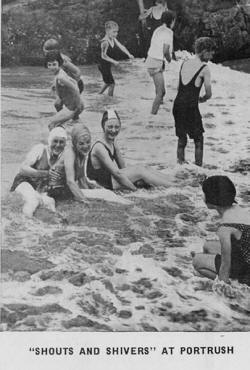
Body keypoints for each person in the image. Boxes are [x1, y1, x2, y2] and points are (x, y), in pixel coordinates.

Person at [86, 109, 173, 190]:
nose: (113, 130)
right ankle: (174, 188)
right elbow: (117, 173)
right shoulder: (99, 147)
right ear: (103, 126)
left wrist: (133, 178)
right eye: (110, 127)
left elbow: (122, 167)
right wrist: (134, 190)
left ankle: (174, 181)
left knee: (143, 167)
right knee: (140, 171)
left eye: (117, 127)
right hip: (103, 182)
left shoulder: (112, 141)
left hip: (110, 178)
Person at [192, 176, 250, 286]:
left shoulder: (225, 227)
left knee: (197, 261)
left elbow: (225, 265)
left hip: (247, 271)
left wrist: (222, 290)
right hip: (246, 256)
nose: (202, 195)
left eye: (204, 193)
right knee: (208, 246)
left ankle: (236, 284)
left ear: (212, 201)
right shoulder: (240, 210)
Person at [173, 37, 214, 166]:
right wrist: (202, 99)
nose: (212, 56)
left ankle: (180, 165)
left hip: (178, 105)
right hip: (190, 107)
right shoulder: (204, 68)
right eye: (211, 52)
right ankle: (198, 169)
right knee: (198, 139)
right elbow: (208, 93)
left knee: (182, 138)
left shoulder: (184, 63)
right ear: (204, 51)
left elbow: (179, 88)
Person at [10, 127, 67, 217]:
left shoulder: (63, 158)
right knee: (33, 201)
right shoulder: (40, 149)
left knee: (50, 202)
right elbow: (22, 169)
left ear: (65, 144)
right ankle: (26, 223)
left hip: (38, 189)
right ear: (50, 141)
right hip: (23, 183)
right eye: (55, 141)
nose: (58, 145)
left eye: (61, 142)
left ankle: (50, 227)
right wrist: (44, 173)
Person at [145, 10, 175, 115]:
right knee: (160, 92)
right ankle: (152, 117)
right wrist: (170, 59)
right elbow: (165, 51)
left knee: (162, 91)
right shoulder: (168, 32)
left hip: (151, 60)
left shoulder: (157, 29)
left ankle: (160, 112)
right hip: (156, 63)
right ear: (172, 21)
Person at [45, 51, 84, 130]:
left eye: (54, 64)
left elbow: (76, 88)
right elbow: (74, 82)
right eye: (49, 65)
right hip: (72, 105)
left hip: (73, 107)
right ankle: (71, 130)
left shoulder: (61, 77)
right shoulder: (60, 73)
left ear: (59, 63)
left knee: (51, 124)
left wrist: (79, 104)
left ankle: (55, 140)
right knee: (57, 107)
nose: (52, 67)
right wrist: (54, 86)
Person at [98, 21, 134, 96]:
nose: (116, 34)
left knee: (108, 82)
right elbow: (103, 56)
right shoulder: (105, 42)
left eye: (117, 32)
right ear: (107, 31)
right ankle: (110, 101)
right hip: (102, 65)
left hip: (107, 64)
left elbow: (121, 46)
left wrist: (129, 54)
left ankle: (99, 94)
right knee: (112, 84)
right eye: (114, 32)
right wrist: (114, 61)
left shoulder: (113, 39)